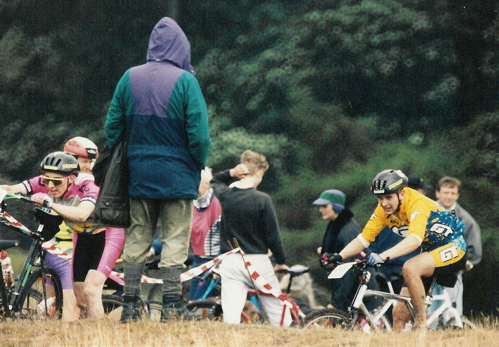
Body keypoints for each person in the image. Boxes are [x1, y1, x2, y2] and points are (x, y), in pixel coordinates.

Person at [104, 17, 211, 323]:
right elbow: (199, 134)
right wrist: (196, 162)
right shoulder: (186, 81)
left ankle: (130, 305)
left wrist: (129, 154)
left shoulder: (129, 76)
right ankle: (173, 306)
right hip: (178, 174)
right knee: (176, 235)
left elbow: (112, 126)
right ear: (182, 48)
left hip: (139, 172)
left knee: (138, 235)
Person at [323, 169, 467, 330]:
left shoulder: (416, 204)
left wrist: (383, 256)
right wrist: (339, 256)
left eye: (389, 197)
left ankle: (421, 324)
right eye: (380, 198)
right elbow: (363, 239)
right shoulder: (383, 210)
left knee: (410, 267)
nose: (384, 203)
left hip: (452, 246)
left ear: (402, 193)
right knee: (398, 313)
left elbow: (414, 240)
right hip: (429, 251)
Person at [1, 151, 124, 320]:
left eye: (56, 182)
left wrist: (50, 204)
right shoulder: (47, 181)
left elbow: (82, 214)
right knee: (81, 299)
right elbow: (12, 188)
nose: (51, 186)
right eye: (46, 180)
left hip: (107, 235)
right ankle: (86, 334)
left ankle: (100, 338)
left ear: (71, 179)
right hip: (82, 237)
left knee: (91, 290)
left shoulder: (88, 185)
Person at [211, 150, 291, 327]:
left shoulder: (226, 195)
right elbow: (273, 236)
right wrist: (281, 262)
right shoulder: (262, 199)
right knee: (277, 310)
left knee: (231, 315)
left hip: (231, 259)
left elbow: (214, 180)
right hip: (257, 260)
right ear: (259, 173)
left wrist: (231, 173)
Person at [313, 189, 379, 311]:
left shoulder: (348, 229)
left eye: (324, 206)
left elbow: (350, 267)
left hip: (357, 292)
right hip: (348, 291)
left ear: (335, 206)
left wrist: (336, 302)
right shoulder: (335, 224)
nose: (320, 209)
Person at [433, 176, 481, 317]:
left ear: (458, 195)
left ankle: (453, 334)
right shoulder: (425, 213)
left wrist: (463, 262)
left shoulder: (466, 220)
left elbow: (474, 249)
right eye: (446, 192)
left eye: (453, 193)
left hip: (452, 271)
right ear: (438, 193)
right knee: (430, 311)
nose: (449, 196)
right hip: (427, 269)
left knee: (452, 311)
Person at [188, 167, 222, 300]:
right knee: (193, 301)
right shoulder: (193, 203)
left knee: (199, 302)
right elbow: (179, 229)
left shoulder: (216, 204)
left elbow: (223, 235)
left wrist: (219, 265)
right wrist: (155, 248)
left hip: (213, 260)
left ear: (206, 183)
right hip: (198, 259)